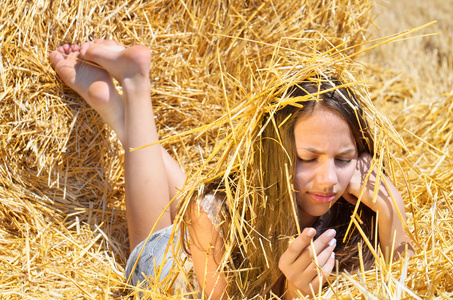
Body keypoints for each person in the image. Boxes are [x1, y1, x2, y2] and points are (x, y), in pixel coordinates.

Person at [49, 39, 414, 299]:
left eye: (344, 158)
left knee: (205, 200)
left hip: (212, 227)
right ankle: (134, 82)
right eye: (307, 157)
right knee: (173, 231)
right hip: (181, 275)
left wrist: (388, 208)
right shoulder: (214, 214)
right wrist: (290, 294)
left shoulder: (354, 203)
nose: (328, 179)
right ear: (275, 153)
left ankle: (115, 110)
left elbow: (408, 280)